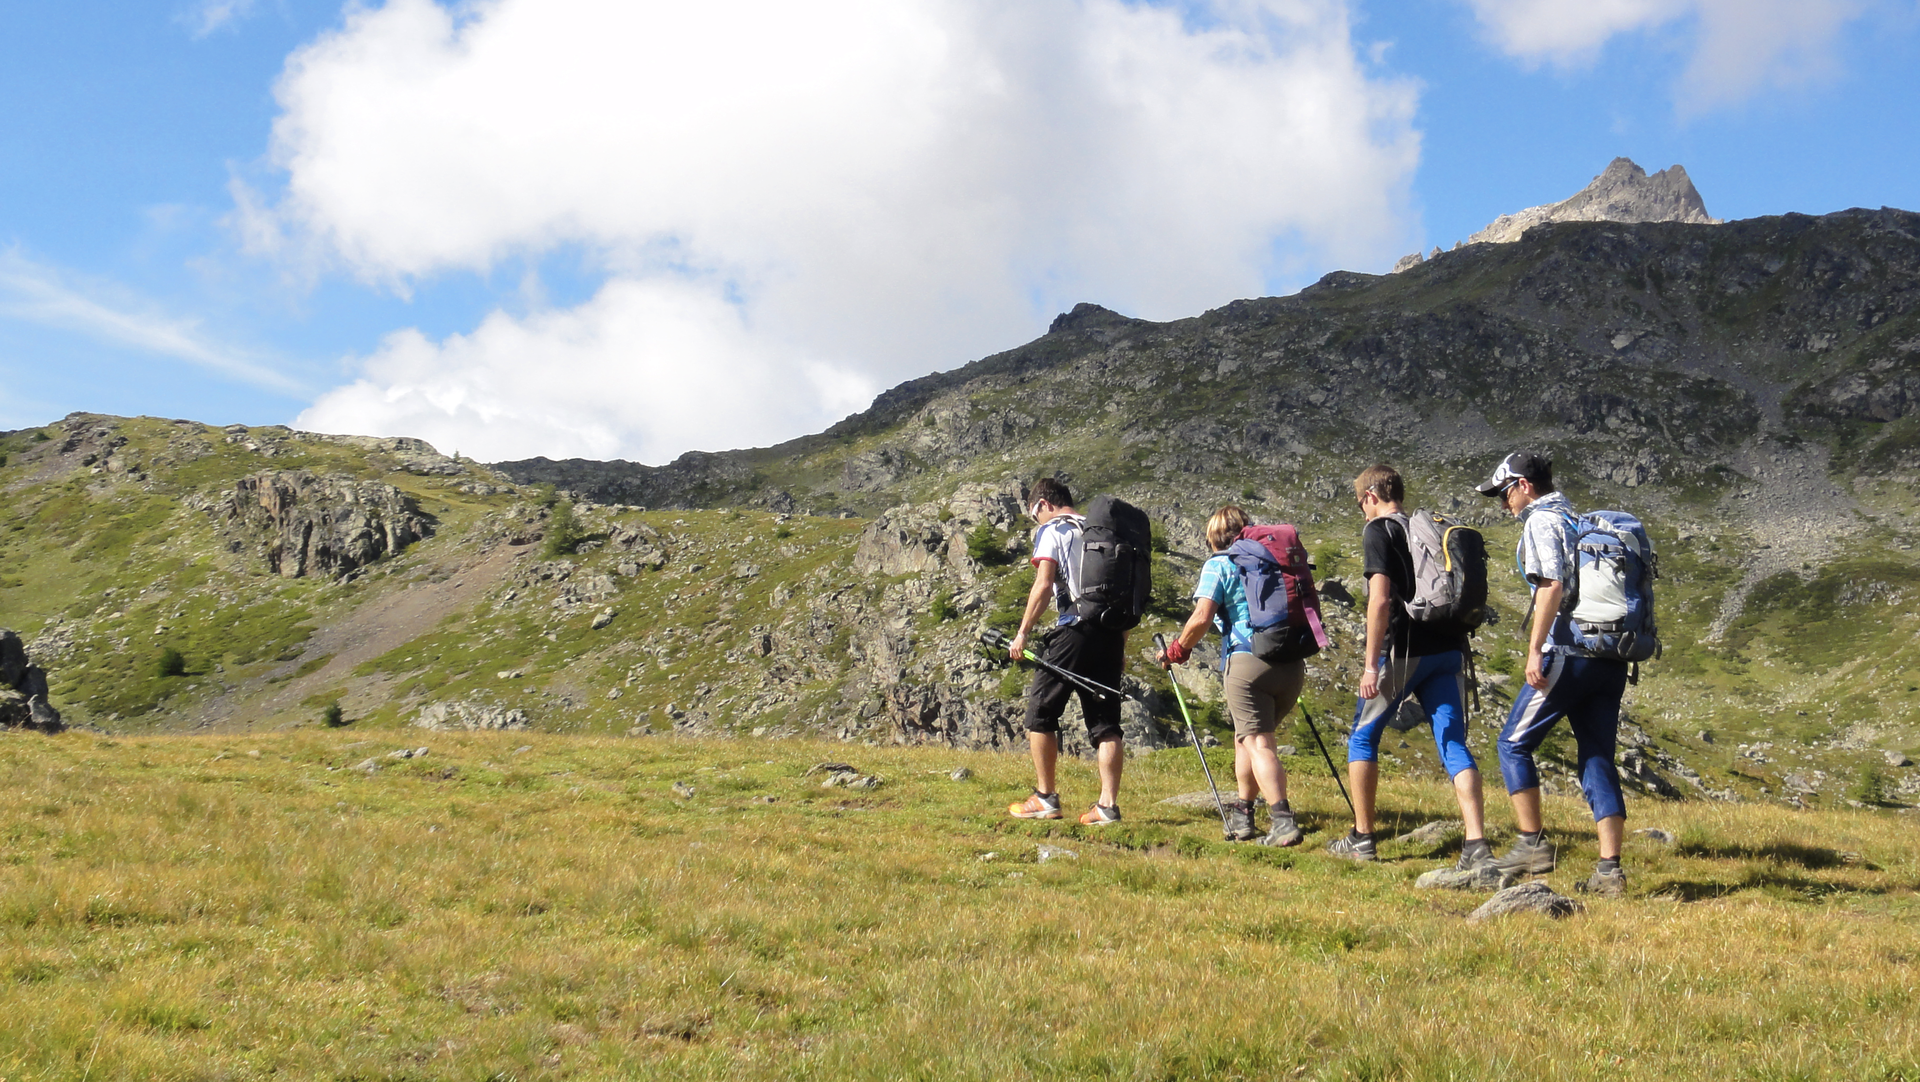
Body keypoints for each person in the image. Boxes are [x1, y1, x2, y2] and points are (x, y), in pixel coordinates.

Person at [1477, 451, 1630, 896]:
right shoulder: (1577, 518)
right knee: (1597, 756)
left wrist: (1534, 650)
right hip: (1609, 656)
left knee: (1512, 744)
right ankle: (1610, 870)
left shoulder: (1542, 521)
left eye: (1504, 492)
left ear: (1524, 485)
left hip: (1568, 651)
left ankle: (1532, 845)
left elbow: (1552, 585)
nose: (1503, 502)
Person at [1326, 465, 1490, 869]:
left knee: (1362, 737)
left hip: (1403, 652)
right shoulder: (1426, 527)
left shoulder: (1378, 531)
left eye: (1360, 503)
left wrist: (1370, 665)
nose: (1362, 511)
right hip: (1448, 648)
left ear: (1370, 496)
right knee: (1453, 744)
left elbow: (1380, 600)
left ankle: (1363, 837)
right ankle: (1476, 843)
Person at [1156, 506, 1303, 846]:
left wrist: (1176, 651)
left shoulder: (1219, 564)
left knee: (1258, 742)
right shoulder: (1272, 560)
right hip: (1291, 663)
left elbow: (1202, 617)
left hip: (1247, 663)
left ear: (1213, 538)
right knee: (1245, 738)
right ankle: (1244, 813)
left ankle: (1282, 820)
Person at [1005, 478, 1128, 826]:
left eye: (1035, 515)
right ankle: (1107, 807)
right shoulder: (1102, 530)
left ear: (1044, 504)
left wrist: (1022, 633)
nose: (1037, 521)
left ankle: (1045, 797)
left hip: (1074, 628)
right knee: (1106, 724)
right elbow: (1121, 592)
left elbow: (1044, 583)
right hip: (1110, 633)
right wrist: (1121, 645)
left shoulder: (1054, 530)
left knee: (1041, 712)